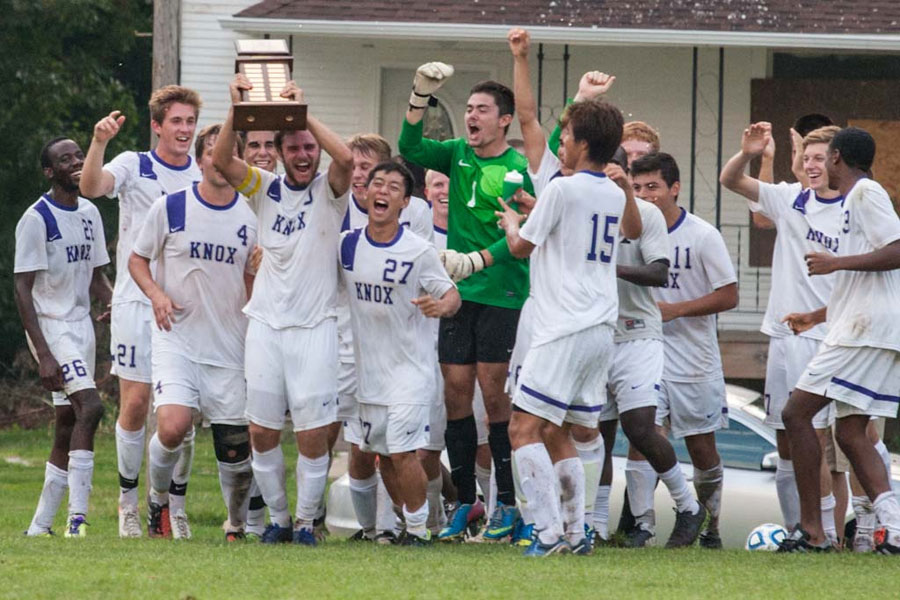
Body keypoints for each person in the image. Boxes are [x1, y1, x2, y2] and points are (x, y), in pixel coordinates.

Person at [212, 74, 353, 545]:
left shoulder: (331, 192)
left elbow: (349, 158)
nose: (303, 154)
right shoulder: (263, 187)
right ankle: (278, 520)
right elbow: (221, 161)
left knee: (313, 434)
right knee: (262, 430)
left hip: (315, 327)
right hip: (266, 326)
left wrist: (301, 111)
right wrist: (237, 106)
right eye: (293, 147)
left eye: (309, 147)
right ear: (278, 152)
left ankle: (309, 522)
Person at [499, 98, 640, 556]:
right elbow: (618, 231)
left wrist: (512, 221)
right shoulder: (611, 192)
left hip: (564, 325)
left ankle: (546, 534)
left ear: (582, 143)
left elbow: (522, 248)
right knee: (559, 431)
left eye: (565, 137)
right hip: (600, 326)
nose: (560, 145)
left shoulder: (563, 188)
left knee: (521, 428)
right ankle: (577, 535)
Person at [398, 63, 533, 540]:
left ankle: (510, 505)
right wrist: (419, 98)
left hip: (501, 290)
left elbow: (523, 236)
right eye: (469, 109)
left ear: (504, 121)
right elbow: (410, 149)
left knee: (494, 396)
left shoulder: (516, 170)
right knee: (455, 390)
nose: (472, 116)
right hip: (461, 293)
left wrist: (476, 261)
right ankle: (468, 503)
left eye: (482, 110)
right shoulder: (455, 152)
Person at [80, 85, 202, 538]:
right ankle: (128, 503)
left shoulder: (202, 174)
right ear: (157, 125)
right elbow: (90, 187)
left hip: (187, 308)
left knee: (183, 415)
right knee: (134, 402)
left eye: (190, 122)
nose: (185, 130)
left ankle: (171, 505)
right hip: (136, 299)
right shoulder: (135, 164)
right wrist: (99, 141)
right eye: (176, 121)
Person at [128, 125, 257, 542]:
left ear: (238, 161)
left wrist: (255, 276)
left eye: (228, 155)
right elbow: (137, 260)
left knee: (235, 451)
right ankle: (157, 502)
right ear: (201, 159)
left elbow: (254, 287)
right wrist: (156, 295)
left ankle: (236, 524)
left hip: (229, 345)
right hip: (177, 337)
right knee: (172, 426)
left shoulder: (252, 215)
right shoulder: (172, 207)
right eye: (211, 153)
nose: (218, 162)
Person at [720, 122, 844, 542]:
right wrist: (749, 153)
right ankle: (798, 530)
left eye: (820, 158)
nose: (811, 165)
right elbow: (731, 180)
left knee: (819, 437)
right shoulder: (791, 198)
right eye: (806, 157)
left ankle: (825, 533)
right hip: (782, 333)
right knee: (787, 438)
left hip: (827, 336)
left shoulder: (856, 209)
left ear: (838, 161)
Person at [780, 127, 900, 554]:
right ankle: (895, 528)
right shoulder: (855, 199)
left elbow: (898, 248)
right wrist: (816, 315)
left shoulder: (866, 192)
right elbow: (862, 281)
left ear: (836, 158)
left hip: (864, 333)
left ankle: (813, 533)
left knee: (795, 413)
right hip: (862, 327)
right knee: (850, 433)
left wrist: (836, 263)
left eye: (824, 156)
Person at [340, 161, 461, 545]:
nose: (383, 191)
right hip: (368, 373)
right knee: (385, 455)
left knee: (404, 451)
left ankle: (418, 531)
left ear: (405, 202)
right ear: (366, 193)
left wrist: (442, 307)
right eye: (378, 184)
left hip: (411, 370)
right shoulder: (347, 245)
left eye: (394, 187)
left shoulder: (418, 251)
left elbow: (451, 295)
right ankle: (409, 524)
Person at [633, 152, 738, 549]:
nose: (645, 195)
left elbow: (729, 295)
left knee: (701, 447)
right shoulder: (632, 232)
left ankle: (710, 526)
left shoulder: (702, 235)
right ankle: (642, 526)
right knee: (645, 435)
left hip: (695, 359)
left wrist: (677, 310)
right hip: (646, 352)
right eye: (637, 187)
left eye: (653, 187)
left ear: (674, 188)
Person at [16, 137, 113, 537]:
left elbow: (96, 275)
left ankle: (40, 526)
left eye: (78, 156)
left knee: (66, 423)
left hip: (81, 328)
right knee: (91, 408)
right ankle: (78, 519)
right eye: (65, 159)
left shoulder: (90, 211)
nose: (75, 163)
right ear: (49, 171)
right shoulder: (36, 219)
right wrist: (43, 354)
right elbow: (22, 288)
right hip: (52, 328)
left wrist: (114, 304)